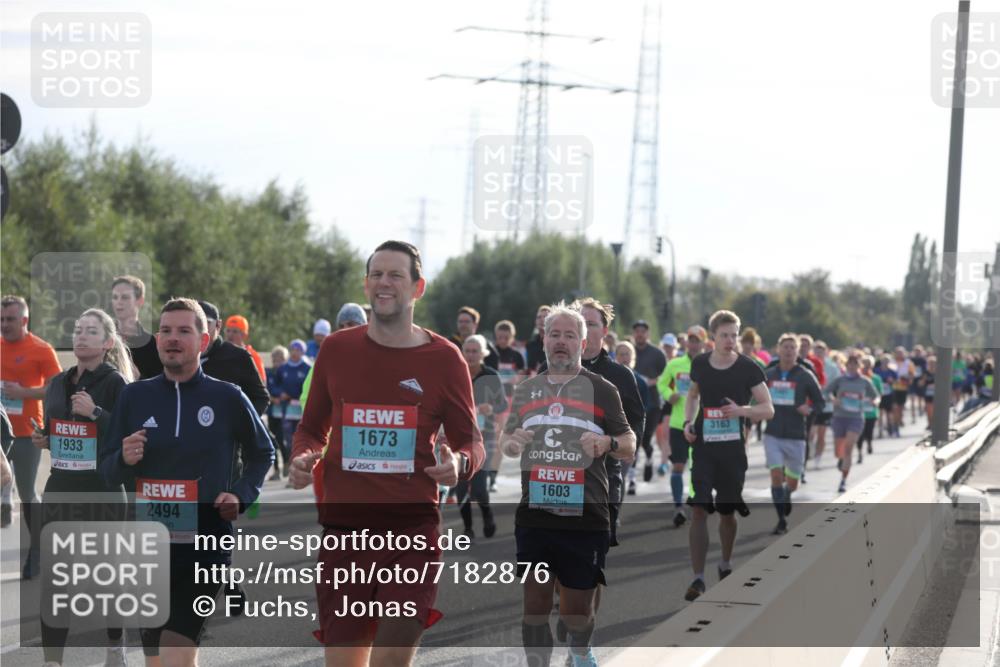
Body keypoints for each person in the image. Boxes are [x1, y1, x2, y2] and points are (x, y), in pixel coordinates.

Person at [288, 240, 484, 666]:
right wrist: (303, 456)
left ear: (418, 287)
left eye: (396, 275)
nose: (384, 283)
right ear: (366, 285)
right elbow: (310, 429)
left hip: (411, 531)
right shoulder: (337, 349)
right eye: (376, 274)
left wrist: (459, 463)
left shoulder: (444, 359)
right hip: (345, 532)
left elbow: (471, 442)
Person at [101, 298, 273, 666]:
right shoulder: (135, 396)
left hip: (206, 540)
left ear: (204, 340)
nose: (172, 338)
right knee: (157, 659)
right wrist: (123, 458)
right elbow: (108, 470)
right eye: (165, 331)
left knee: (176, 651)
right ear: (157, 340)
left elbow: (263, 452)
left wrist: (241, 495)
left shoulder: (227, 397)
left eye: (183, 331)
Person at [501, 303, 636, 667]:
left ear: (583, 342)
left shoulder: (603, 390)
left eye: (570, 335)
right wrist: (511, 443)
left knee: (577, 615)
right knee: (534, 608)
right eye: (554, 334)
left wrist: (606, 443)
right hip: (536, 515)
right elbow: (507, 439)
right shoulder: (527, 390)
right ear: (544, 340)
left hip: (585, 517)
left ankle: (580, 651)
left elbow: (629, 443)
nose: (561, 341)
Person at [30, 308, 134, 666]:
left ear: (107, 343)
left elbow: (129, 436)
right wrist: (45, 439)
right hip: (61, 487)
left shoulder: (116, 384)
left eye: (90, 331)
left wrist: (96, 414)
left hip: (102, 489)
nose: (80, 336)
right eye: (77, 330)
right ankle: (52, 661)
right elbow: (56, 429)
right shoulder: (57, 383)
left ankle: (115, 647)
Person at [682, 310, 773, 601]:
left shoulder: (748, 368)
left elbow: (768, 408)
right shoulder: (700, 364)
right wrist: (687, 422)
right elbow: (692, 395)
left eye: (734, 335)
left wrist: (741, 411)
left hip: (733, 451)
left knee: (727, 511)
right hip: (704, 447)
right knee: (698, 508)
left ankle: (725, 562)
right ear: (713, 336)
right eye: (724, 335)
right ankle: (698, 579)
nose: (730, 340)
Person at [574, 298, 645, 549]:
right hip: (561, 475)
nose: (584, 328)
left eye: (591, 324)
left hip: (604, 473)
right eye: (580, 322)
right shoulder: (552, 369)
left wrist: (627, 448)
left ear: (604, 331)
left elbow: (636, 417)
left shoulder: (621, 375)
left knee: (594, 554)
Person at [0, 295, 62, 575]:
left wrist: (24, 392)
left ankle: (37, 551)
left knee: (26, 493)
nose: (4, 325)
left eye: (10, 320)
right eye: (1, 319)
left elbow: (56, 388)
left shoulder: (41, 349)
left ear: (24, 320)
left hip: (25, 433)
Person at [762, 333, 823, 534]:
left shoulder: (805, 375)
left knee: (793, 483)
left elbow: (820, 402)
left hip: (796, 435)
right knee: (776, 475)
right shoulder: (769, 374)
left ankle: (787, 493)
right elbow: (754, 396)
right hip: (772, 433)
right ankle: (781, 520)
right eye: (785, 347)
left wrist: (809, 409)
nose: (788, 351)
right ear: (778, 350)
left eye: (792, 348)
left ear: (797, 352)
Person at [454, 334, 505, 538]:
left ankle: (487, 514)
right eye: (467, 351)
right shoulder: (456, 372)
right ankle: (468, 528)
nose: (471, 355)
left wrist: (490, 408)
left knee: (479, 487)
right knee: (460, 487)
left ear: (483, 354)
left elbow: (502, 404)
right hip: (458, 435)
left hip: (484, 436)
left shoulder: (491, 375)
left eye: (475, 351)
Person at [658, 325, 707, 527]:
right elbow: (661, 383)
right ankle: (678, 506)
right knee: (678, 466)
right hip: (678, 423)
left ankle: (694, 501)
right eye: (691, 340)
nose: (693, 344)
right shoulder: (675, 364)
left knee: (698, 467)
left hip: (702, 424)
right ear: (686, 342)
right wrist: (670, 395)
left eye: (697, 341)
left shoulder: (709, 365)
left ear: (703, 343)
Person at [824, 351, 879, 493]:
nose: (852, 367)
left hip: (856, 418)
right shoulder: (840, 380)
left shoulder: (864, 381)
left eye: (855, 364)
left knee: (848, 448)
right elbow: (826, 392)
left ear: (859, 366)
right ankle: (841, 458)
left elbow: (876, 396)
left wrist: (875, 402)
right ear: (846, 365)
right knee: (839, 451)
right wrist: (833, 400)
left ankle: (843, 481)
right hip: (839, 417)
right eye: (850, 364)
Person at [299, 302, 368, 410]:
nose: (345, 329)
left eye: (351, 324)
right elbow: (307, 397)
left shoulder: (374, 356)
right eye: (341, 326)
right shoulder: (327, 358)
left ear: (363, 326)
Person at [631, 320, 667, 485]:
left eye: (642, 331)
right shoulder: (629, 351)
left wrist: (652, 381)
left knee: (645, 437)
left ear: (648, 334)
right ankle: (632, 476)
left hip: (653, 402)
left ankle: (649, 456)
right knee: (634, 438)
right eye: (637, 331)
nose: (639, 334)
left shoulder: (657, 353)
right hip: (633, 402)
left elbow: (667, 376)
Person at [111, 275, 162, 379]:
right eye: (115, 297)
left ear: (140, 301)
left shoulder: (152, 345)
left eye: (125, 297)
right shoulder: (101, 338)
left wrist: (138, 377)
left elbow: (159, 385)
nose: (118, 302)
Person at [276, 339, 312, 480]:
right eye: (292, 349)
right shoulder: (283, 368)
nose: (294, 352)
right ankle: (292, 470)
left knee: (302, 439)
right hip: (288, 408)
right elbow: (275, 384)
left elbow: (312, 386)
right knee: (288, 439)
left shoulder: (307, 367)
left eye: (298, 350)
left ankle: (305, 468)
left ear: (303, 352)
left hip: (303, 409)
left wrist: (301, 397)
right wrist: (280, 393)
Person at [655, 333, 678, 476]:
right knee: (660, 436)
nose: (667, 349)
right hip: (661, 401)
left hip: (675, 402)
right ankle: (668, 456)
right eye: (665, 347)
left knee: (666, 433)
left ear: (675, 348)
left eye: (670, 347)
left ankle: (664, 462)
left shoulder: (678, 363)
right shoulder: (659, 362)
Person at [266, 345, 290, 480]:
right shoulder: (269, 373)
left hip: (285, 411)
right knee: (272, 440)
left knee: (282, 439)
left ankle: (287, 463)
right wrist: (271, 398)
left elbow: (290, 390)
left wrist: (282, 397)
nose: (277, 361)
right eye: (275, 358)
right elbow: (265, 389)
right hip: (272, 411)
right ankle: (276, 470)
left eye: (280, 359)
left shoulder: (287, 373)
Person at [223, 315, 265, 382]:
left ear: (244, 335)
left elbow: (262, 382)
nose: (230, 335)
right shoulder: (220, 352)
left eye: (235, 331)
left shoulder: (252, 355)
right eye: (228, 330)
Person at [858, 355, 882, 462]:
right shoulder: (857, 379)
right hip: (859, 410)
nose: (866, 367)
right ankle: (859, 452)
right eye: (864, 364)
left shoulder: (876, 379)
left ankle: (869, 442)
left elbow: (879, 394)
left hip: (871, 410)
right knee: (860, 432)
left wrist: (876, 401)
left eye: (868, 365)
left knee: (869, 430)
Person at [526, 305, 551, 374]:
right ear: (535, 321)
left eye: (545, 317)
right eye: (539, 317)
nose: (542, 319)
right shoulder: (530, 344)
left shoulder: (556, 343)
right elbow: (529, 367)